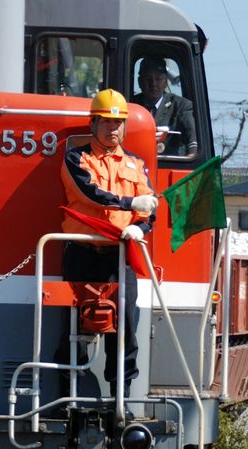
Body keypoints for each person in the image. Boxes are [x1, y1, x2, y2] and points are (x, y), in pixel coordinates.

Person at [58, 89, 157, 406]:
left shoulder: (135, 165)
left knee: (126, 325)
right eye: (106, 123)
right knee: (73, 326)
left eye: (118, 123)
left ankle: (121, 399)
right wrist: (129, 202)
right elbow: (90, 193)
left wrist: (138, 228)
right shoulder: (76, 158)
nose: (112, 129)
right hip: (82, 254)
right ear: (93, 123)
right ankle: (67, 397)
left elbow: (148, 210)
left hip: (120, 257)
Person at [131, 56, 197, 156]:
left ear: (166, 82)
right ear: (140, 82)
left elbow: (193, 147)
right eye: (148, 78)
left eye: (158, 79)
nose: (153, 83)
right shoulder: (131, 106)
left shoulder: (181, 106)